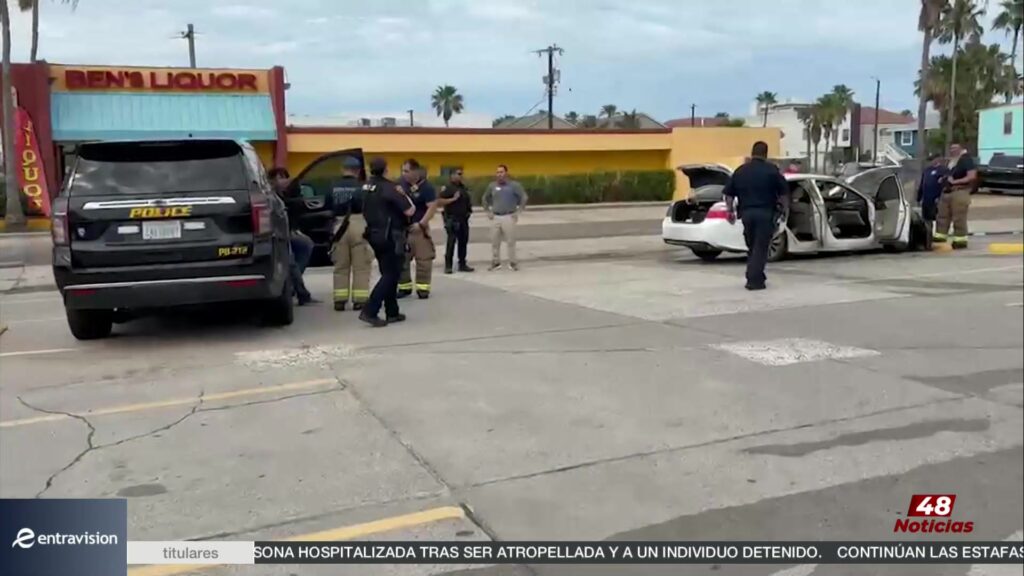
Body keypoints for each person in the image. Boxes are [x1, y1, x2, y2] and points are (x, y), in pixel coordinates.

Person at [723, 141, 789, 291]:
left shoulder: (741, 171)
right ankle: (754, 280)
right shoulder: (772, 171)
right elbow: (784, 193)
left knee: (752, 246)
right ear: (765, 154)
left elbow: (728, 194)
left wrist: (730, 211)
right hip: (765, 214)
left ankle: (757, 275)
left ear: (752, 153)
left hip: (746, 215)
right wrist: (784, 210)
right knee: (760, 248)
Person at [360, 158, 415, 327]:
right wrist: (405, 194)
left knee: (387, 272)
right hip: (390, 235)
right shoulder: (390, 188)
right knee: (392, 274)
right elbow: (410, 210)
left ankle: (392, 311)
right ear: (385, 170)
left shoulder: (365, 187)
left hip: (373, 234)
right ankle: (370, 310)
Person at [268, 167, 319, 306]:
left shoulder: (288, 193)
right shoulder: (269, 196)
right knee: (290, 260)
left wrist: (295, 230)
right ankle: (302, 293)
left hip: (288, 232)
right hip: (275, 235)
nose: (283, 181)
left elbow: (296, 211)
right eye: (278, 178)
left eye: (284, 177)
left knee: (306, 244)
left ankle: (292, 284)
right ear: (271, 181)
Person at [329, 156, 373, 311]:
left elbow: (328, 207)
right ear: (358, 171)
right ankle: (359, 300)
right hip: (359, 223)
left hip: (339, 227)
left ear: (343, 169)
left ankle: (339, 300)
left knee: (341, 266)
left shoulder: (333, 186)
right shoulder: (363, 186)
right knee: (361, 266)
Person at [397, 159, 438, 299]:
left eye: (407, 171)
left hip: (420, 229)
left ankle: (423, 288)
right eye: (403, 171)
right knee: (402, 260)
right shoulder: (400, 185)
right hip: (403, 229)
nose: (404, 174)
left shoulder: (426, 187)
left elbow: (432, 207)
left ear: (415, 171)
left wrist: (421, 224)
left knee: (424, 260)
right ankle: (404, 287)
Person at [482, 164, 528, 271]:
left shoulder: (514, 185)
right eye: (498, 172)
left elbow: (524, 197)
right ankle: (495, 262)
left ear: (506, 173)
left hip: (509, 216)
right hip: (496, 216)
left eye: (501, 172)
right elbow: (484, 198)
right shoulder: (492, 186)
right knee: (494, 242)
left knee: (510, 241)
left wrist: (518, 211)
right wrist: (488, 212)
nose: (499, 175)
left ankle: (512, 262)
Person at [934, 143, 977, 249]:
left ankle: (960, 241)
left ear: (961, 148)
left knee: (959, 217)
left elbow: (972, 176)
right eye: (951, 148)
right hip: (946, 192)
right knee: (942, 216)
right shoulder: (951, 161)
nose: (952, 150)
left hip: (960, 191)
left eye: (955, 148)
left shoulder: (966, 159)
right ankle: (940, 238)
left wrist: (955, 182)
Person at [439, 169, 475, 274]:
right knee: (451, 243)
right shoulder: (448, 188)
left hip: (463, 219)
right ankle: (448, 265)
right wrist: (453, 199)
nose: (460, 176)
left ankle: (462, 264)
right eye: (458, 174)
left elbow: (467, 201)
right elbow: (439, 201)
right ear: (452, 175)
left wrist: (469, 211)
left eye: (461, 174)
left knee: (463, 242)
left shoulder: (463, 188)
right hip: (452, 219)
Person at [918, 153, 949, 251]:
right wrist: (919, 198)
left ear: (938, 159)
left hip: (937, 199)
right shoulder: (927, 170)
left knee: (939, 220)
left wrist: (940, 197)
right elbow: (922, 184)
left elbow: (944, 185)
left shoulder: (943, 170)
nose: (932, 161)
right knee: (927, 221)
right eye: (930, 159)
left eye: (934, 159)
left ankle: (939, 240)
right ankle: (928, 242)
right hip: (926, 200)